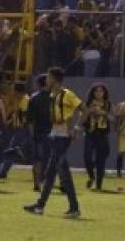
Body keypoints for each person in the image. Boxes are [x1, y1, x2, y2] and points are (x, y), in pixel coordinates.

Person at [24, 67, 83, 217]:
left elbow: (84, 109)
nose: (47, 80)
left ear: (54, 79)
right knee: (64, 174)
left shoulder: (67, 94)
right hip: (55, 135)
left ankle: (40, 205)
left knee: (51, 171)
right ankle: (74, 207)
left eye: (49, 77)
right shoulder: (52, 95)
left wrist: (76, 126)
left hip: (63, 137)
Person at [82, 83, 112, 190]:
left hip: (102, 134)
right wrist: (88, 112)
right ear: (93, 93)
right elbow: (83, 120)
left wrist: (103, 113)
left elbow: (112, 118)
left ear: (104, 93)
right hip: (90, 133)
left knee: (101, 160)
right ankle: (91, 176)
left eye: (101, 91)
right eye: (96, 91)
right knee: (87, 157)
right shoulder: (88, 104)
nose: (98, 93)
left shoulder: (107, 104)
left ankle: (99, 185)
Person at [26, 74, 53, 192]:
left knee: (37, 159)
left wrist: (32, 134)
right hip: (52, 132)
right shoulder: (54, 97)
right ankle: (46, 181)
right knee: (51, 159)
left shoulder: (33, 98)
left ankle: (37, 183)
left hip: (37, 132)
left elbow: (30, 120)